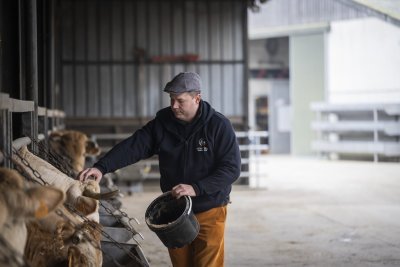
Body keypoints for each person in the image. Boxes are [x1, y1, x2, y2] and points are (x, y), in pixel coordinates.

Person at [77, 72, 241, 267]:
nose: (174, 106)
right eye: (172, 100)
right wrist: (101, 167)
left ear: (197, 98)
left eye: (180, 100)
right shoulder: (163, 123)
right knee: (181, 264)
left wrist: (196, 188)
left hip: (209, 209)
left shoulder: (218, 126)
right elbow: (134, 145)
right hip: (174, 213)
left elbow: (232, 168)